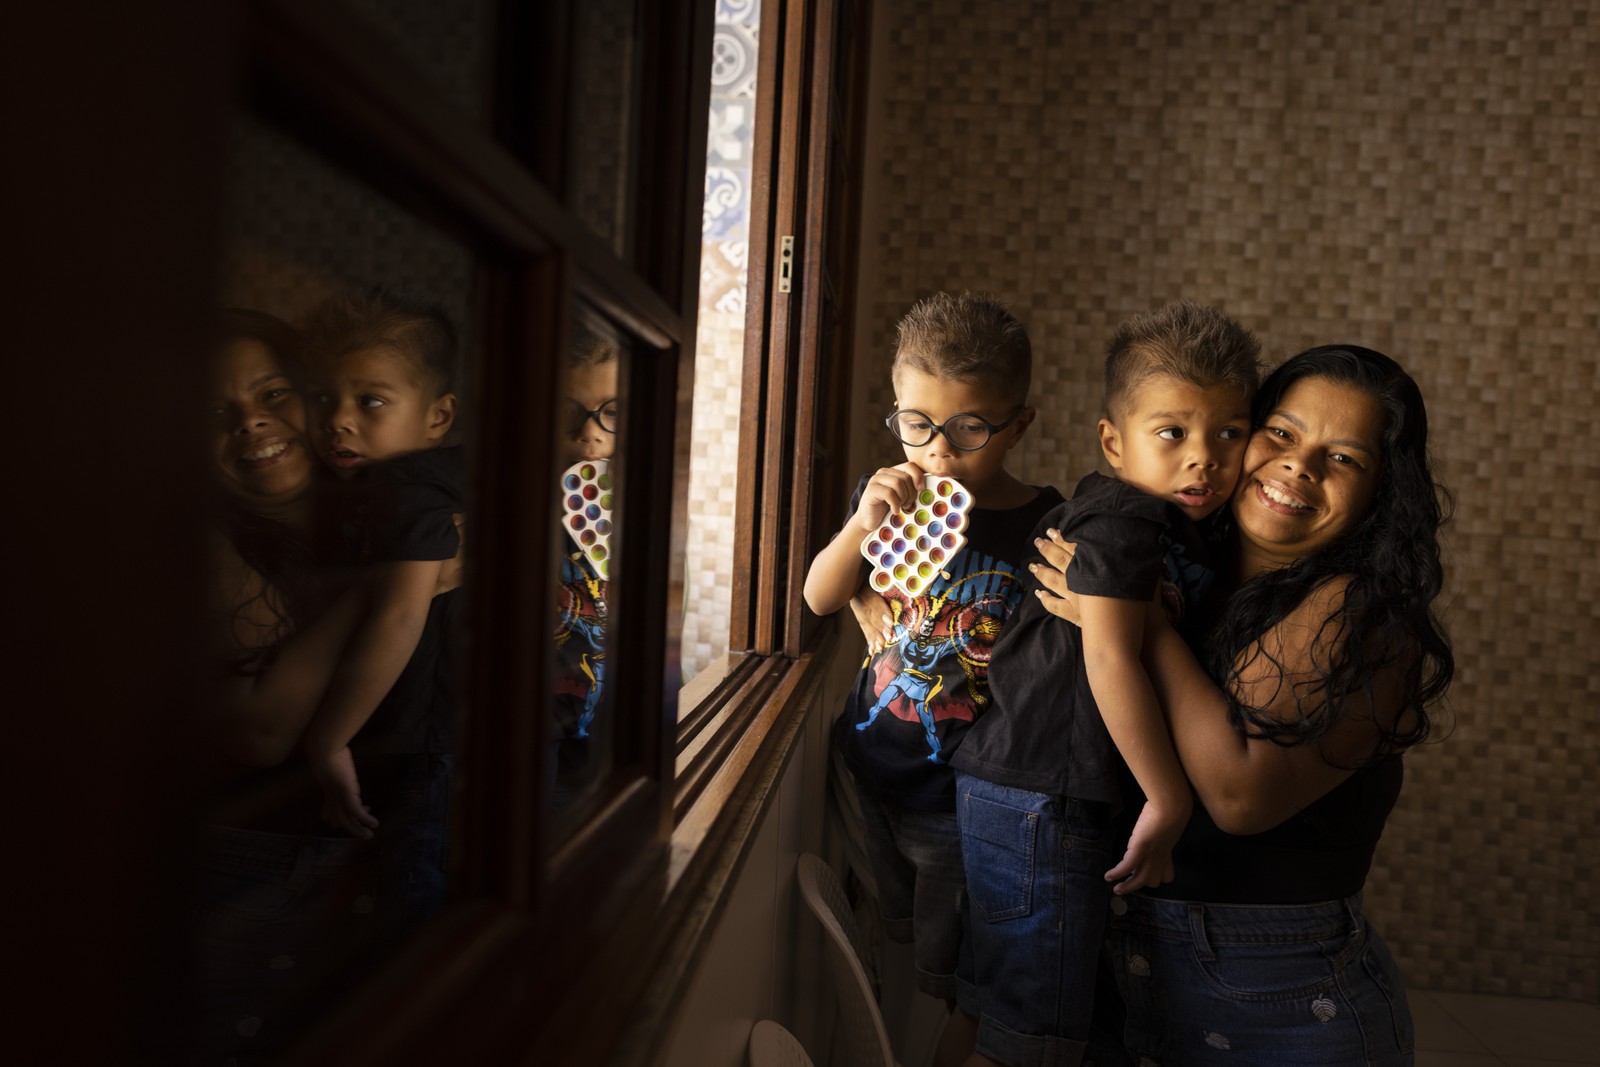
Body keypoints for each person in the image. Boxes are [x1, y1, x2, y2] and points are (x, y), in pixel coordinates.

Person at [1033, 345, 1453, 1067]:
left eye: (1343, 457)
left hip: (1285, 1007)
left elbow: (1236, 793)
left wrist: (1136, 619)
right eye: (1282, 434)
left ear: (1383, 491)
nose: (1299, 467)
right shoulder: (1188, 562)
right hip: (1126, 977)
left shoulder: (1360, 611)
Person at [947, 302, 1261, 1067]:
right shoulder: (1124, 519)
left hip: (1029, 791)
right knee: (1034, 1040)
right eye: (1173, 432)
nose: (1204, 457)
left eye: (1228, 432)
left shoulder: (1170, 525)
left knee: (1015, 1022)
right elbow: (1112, 658)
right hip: (1041, 800)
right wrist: (1169, 795)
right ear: (1113, 442)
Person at [802, 291, 1064, 1051]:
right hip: (866, 765)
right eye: (918, 425)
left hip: (963, 796)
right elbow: (822, 596)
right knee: (885, 936)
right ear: (897, 411)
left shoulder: (1043, 526)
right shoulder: (887, 497)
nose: (939, 452)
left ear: (1019, 424)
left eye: (970, 428)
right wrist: (863, 521)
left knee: (951, 970)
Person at [299, 285, 464, 925]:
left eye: (370, 402)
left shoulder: (414, 493)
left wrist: (328, 739)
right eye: (323, 398)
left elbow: (400, 616)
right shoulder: (379, 486)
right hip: (411, 739)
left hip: (426, 750)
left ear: (438, 416)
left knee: (410, 916)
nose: (338, 419)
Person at [552, 322, 619, 801]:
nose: (589, 432)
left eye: (610, 413)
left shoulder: (645, 508)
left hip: (609, 733)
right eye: (568, 412)